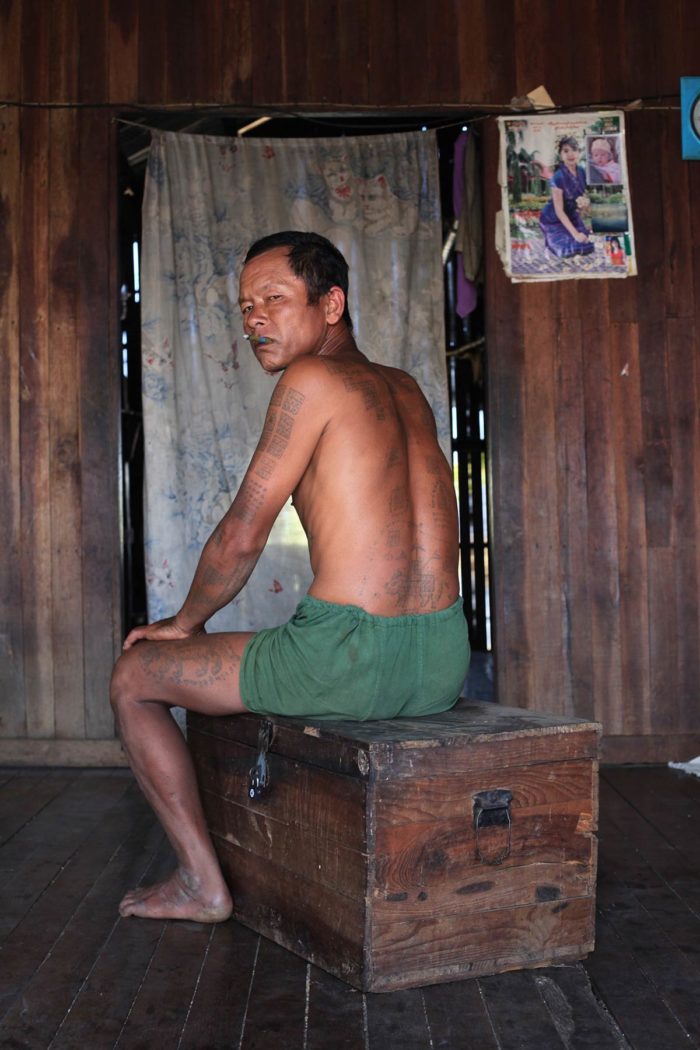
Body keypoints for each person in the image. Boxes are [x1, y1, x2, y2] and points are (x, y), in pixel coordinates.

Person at [110, 230, 470, 923]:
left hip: (346, 662)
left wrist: (182, 625)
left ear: (331, 303)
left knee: (133, 678)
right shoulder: (406, 388)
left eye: (273, 299)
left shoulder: (311, 381)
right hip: (441, 659)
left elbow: (244, 532)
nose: (254, 321)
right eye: (246, 307)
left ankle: (199, 885)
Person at [538, 136, 594, 258]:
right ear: (560, 154)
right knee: (568, 249)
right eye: (566, 151)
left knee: (588, 246)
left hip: (572, 215)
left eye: (574, 150)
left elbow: (581, 198)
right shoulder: (557, 177)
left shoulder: (582, 171)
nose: (570, 154)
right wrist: (575, 235)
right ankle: (550, 238)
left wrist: (585, 207)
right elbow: (559, 211)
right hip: (554, 218)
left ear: (579, 152)